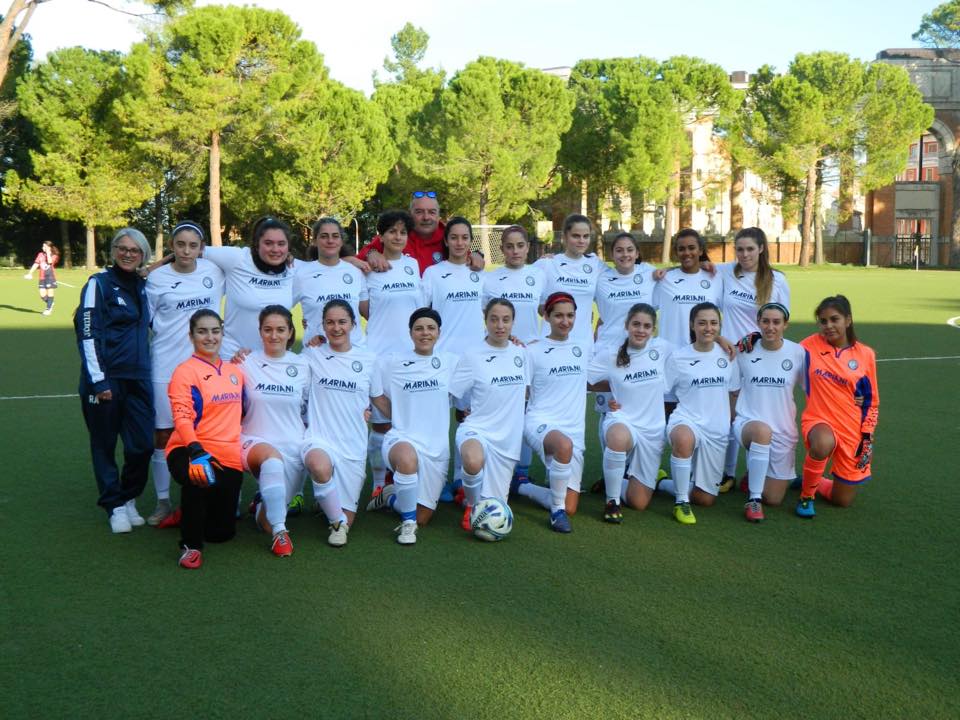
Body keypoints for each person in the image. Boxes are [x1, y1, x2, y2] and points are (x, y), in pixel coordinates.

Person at [144, 221, 224, 525]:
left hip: (206, 368)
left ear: (201, 248)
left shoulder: (214, 273)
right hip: (166, 366)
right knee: (164, 433)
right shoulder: (156, 280)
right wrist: (153, 267)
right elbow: (148, 321)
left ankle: (214, 498)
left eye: (193, 245)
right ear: (172, 247)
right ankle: (164, 501)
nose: (187, 251)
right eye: (181, 245)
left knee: (207, 432)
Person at [75, 228, 154, 534]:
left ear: (142, 254)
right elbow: (87, 331)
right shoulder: (98, 284)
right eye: (122, 248)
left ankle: (129, 496)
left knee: (143, 445)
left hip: (139, 378)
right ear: (113, 251)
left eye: (134, 250)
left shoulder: (143, 284)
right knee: (104, 445)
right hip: (106, 380)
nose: (128, 253)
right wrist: (99, 380)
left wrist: (173, 256)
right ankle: (114, 505)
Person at [301, 300, 390, 546]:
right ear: (323, 325)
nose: (336, 328)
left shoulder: (369, 359)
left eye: (342, 322)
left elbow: (378, 398)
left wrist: (406, 422)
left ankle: (329, 502)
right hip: (319, 439)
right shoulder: (312, 355)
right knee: (318, 465)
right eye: (330, 322)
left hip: (353, 444)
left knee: (348, 518)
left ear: (353, 324)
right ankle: (333, 513)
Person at [367, 308, 458, 545]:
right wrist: (399, 418)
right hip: (401, 438)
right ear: (410, 333)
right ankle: (407, 525)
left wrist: (511, 343)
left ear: (439, 332)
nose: (425, 333)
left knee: (423, 516)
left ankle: (389, 497)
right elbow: (376, 394)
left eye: (430, 328)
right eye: (419, 328)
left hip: (436, 448)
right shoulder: (391, 362)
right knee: (407, 460)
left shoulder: (451, 362)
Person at [165, 309, 244, 569]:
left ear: (222, 333)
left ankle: (186, 513)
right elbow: (182, 416)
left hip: (228, 455)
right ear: (191, 336)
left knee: (221, 534)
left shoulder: (236, 371)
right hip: (188, 448)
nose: (209, 337)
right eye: (202, 331)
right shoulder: (185, 372)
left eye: (215, 331)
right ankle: (191, 546)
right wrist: (196, 449)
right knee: (200, 474)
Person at [716, 227, 791, 492]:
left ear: (761, 248)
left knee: (757, 414)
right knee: (730, 414)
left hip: (760, 357)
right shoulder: (726, 272)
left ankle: (753, 470)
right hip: (729, 356)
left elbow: (782, 318)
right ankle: (726, 472)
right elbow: (696, 265)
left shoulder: (777, 280)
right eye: (740, 249)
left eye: (750, 248)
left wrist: (758, 338)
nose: (744, 254)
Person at [233, 306, 310, 555]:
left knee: (264, 522)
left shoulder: (303, 365)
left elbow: (313, 407)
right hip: (254, 441)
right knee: (272, 462)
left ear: (290, 333)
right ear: (260, 332)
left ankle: (261, 506)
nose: (274, 335)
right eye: (268, 329)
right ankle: (281, 534)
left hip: (293, 446)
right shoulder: (245, 362)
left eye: (280, 330)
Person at [449, 299, 530, 532]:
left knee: (496, 506)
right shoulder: (472, 354)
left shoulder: (521, 354)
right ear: (485, 321)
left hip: (507, 440)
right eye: (494, 319)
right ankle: (471, 506)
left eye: (506, 320)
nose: (500, 325)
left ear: (513, 322)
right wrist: (463, 408)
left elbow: (531, 390)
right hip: (478, 429)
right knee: (473, 463)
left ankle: (467, 492)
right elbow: (453, 392)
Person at [587, 303, 674, 522]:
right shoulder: (611, 354)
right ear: (627, 326)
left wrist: (721, 340)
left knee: (639, 502)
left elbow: (695, 351)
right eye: (636, 324)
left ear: (653, 330)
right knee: (617, 437)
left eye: (646, 326)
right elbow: (583, 379)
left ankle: (613, 477)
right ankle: (612, 500)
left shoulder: (662, 349)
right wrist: (609, 398)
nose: (640, 330)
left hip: (652, 431)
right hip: (622, 420)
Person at [796, 295, 879, 518]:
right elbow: (779, 350)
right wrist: (755, 339)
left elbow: (871, 401)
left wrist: (867, 438)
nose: (828, 326)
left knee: (842, 500)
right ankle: (806, 497)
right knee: (823, 443)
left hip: (852, 429)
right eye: (823, 321)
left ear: (848, 320)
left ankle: (813, 479)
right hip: (818, 419)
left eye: (835, 319)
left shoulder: (866, 355)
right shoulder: (809, 346)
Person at [512, 292, 587, 533]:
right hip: (539, 421)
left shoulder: (583, 348)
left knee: (572, 504)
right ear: (546, 316)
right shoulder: (531, 351)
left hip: (574, 429)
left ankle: (522, 487)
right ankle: (557, 513)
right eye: (558, 316)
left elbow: (600, 380)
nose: (565, 321)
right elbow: (517, 389)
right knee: (563, 446)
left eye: (570, 316)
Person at [662, 302, 740, 525]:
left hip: (716, 430)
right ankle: (680, 501)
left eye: (714, 323)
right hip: (686, 420)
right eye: (702, 323)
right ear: (692, 325)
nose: (708, 328)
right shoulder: (678, 357)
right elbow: (659, 391)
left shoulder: (728, 355)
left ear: (720, 326)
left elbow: (733, 393)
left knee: (705, 499)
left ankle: (664, 483)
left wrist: (731, 424)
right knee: (683, 438)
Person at [481, 224, 547, 488]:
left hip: (530, 353)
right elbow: (487, 317)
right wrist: (506, 338)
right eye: (510, 246)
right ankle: (495, 462)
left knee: (526, 409)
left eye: (520, 245)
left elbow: (545, 309)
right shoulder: (492, 278)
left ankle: (522, 470)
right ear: (502, 249)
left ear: (528, 247)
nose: (515, 250)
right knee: (502, 407)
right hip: (501, 351)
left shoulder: (540, 274)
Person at [363, 211, 423, 495]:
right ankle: (378, 484)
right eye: (392, 231)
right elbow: (363, 309)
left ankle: (406, 477)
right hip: (378, 356)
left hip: (408, 358)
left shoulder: (413, 267)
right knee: (381, 424)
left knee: (408, 422)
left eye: (402, 232)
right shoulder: (369, 268)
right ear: (382, 235)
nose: (397, 237)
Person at [731, 303, 804, 521]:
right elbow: (733, 391)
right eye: (765, 321)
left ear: (785, 325)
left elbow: (814, 386)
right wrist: (731, 422)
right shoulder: (744, 350)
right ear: (758, 323)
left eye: (776, 322)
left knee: (773, 498)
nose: (770, 327)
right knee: (762, 432)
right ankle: (753, 500)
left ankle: (754, 475)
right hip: (749, 424)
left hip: (783, 430)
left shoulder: (797, 352)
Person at [592, 231, 658, 447]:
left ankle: (633, 470)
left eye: (630, 250)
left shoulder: (649, 274)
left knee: (635, 410)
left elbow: (678, 276)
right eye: (619, 250)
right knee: (609, 412)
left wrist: (705, 263)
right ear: (611, 254)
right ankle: (611, 469)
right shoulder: (600, 276)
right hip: (607, 354)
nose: (625, 254)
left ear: (637, 253)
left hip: (639, 353)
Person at [201, 217, 295, 359]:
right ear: (257, 245)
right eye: (268, 243)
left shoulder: (292, 268)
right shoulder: (237, 258)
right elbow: (191, 249)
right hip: (234, 358)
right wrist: (155, 269)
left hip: (274, 359)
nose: (275, 249)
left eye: (281, 244)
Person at [352, 190, 483, 274]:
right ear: (410, 215)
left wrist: (477, 255)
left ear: (438, 216)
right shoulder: (398, 235)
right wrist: (371, 253)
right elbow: (359, 256)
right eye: (419, 212)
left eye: (432, 212)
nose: (426, 217)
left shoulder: (448, 236)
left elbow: (467, 256)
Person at [295, 217, 368, 347]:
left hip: (355, 352)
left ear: (341, 241)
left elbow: (369, 313)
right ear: (315, 241)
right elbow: (280, 309)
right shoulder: (301, 273)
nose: (330, 241)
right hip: (317, 354)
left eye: (335, 236)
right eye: (324, 236)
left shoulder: (355, 272)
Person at [534, 214, 605, 346]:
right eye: (576, 236)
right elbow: (535, 305)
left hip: (583, 343)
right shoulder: (547, 264)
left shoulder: (596, 265)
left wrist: (654, 273)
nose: (581, 241)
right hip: (550, 343)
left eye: (586, 236)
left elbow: (622, 275)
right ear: (565, 237)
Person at [421, 216, 485, 355]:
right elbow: (420, 314)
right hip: (444, 353)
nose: (459, 243)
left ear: (471, 241)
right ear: (446, 241)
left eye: (465, 237)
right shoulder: (432, 273)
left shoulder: (481, 274)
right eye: (454, 237)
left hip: (478, 353)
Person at [24, 240, 60, 315]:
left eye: (45, 246)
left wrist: (48, 253)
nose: (43, 247)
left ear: (49, 247)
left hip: (50, 277)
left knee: (50, 293)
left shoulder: (54, 255)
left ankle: (48, 309)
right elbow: (36, 264)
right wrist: (30, 273)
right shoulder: (40, 254)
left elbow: (50, 262)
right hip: (42, 277)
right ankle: (50, 303)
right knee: (42, 295)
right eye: (43, 246)